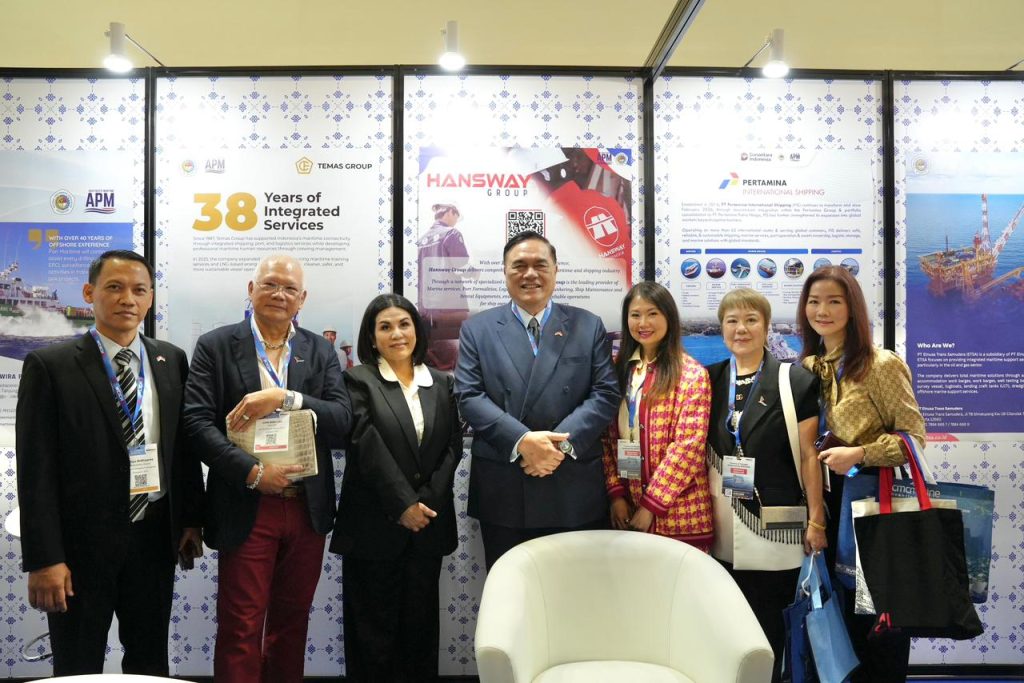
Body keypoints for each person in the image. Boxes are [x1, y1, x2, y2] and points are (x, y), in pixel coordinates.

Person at [15, 249, 203, 675]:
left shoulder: (170, 359)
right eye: (114, 287)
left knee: (150, 661)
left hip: (153, 539)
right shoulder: (50, 365)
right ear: (89, 293)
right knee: (77, 665)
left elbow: (182, 450)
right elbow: (35, 471)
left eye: (139, 290)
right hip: (80, 547)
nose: (127, 299)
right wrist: (45, 559)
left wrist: (192, 520)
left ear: (150, 298)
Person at [183, 254, 352, 683]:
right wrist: (253, 473)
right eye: (270, 284)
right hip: (247, 502)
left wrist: (285, 398)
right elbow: (196, 423)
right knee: (241, 625)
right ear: (251, 289)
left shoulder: (320, 350)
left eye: (289, 288)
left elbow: (342, 419)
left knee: (291, 625)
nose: (279, 294)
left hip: (305, 505)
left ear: (302, 298)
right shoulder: (216, 346)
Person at [454, 230, 620, 569]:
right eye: (519, 265)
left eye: (540, 265)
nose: (530, 274)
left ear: (556, 270)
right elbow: (468, 396)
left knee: (575, 589)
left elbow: (605, 393)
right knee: (511, 591)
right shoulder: (477, 329)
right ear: (504, 272)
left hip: (571, 483)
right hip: (505, 484)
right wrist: (523, 441)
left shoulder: (588, 325)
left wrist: (556, 447)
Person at [798, 265, 926, 683]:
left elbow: (914, 438)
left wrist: (861, 452)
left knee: (876, 617)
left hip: (872, 501)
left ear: (852, 308)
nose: (822, 310)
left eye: (834, 301)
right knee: (831, 614)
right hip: (823, 501)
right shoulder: (806, 368)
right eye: (814, 301)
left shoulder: (880, 364)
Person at [331, 294, 462, 682]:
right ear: (372, 338)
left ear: (417, 330)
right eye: (385, 327)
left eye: (404, 324)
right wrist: (404, 504)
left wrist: (425, 504)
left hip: (427, 527)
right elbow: (365, 444)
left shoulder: (441, 382)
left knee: (420, 635)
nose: (396, 334)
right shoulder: (357, 380)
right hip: (374, 528)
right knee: (372, 638)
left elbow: (452, 446)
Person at [706, 288, 823, 683]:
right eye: (732, 321)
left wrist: (817, 521)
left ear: (767, 326)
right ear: (722, 328)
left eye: (751, 320)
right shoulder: (709, 380)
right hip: (721, 527)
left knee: (772, 629)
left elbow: (809, 456)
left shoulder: (796, 380)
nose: (741, 329)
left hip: (776, 529)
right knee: (728, 631)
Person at [601, 282, 713, 549]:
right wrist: (616, 495)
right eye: (635, 314)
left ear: (668, 317)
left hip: (679, 514)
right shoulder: (617, 370)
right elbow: (605, 439)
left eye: (652, 313)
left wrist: (651, 505)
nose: (643, 323)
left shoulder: (691, 374)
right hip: (627, 509)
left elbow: (688, 448)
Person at [417, 202, 471, 371]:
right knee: (456, 354)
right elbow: (461, 264)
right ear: (450, 212)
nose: (456, 221)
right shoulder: (451, 233)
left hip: (426, 305)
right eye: (456, 216)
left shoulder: (423, 239)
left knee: (433, 352)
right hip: (450, 303)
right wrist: (476, 273)